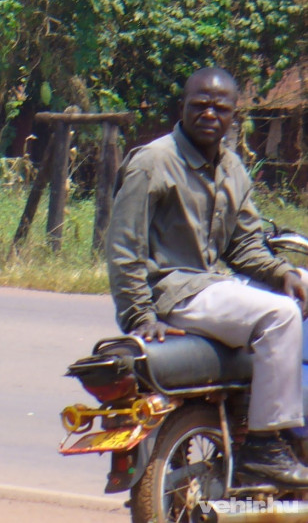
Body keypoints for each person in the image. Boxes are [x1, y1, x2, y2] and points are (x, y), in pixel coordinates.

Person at [107, 66, 308, 486]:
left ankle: (288, 425)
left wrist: (282, 273)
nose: (210, 113)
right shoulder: (153, 162)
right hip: (177, 293)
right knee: (281, 316)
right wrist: (140, 316)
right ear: (182, 107)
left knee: (300, 284)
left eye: (221, 107)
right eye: (200, 105)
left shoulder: (231, 168)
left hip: (213, 287)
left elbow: (244, 246)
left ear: (235, 115)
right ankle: (265, 446)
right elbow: (124, 249)